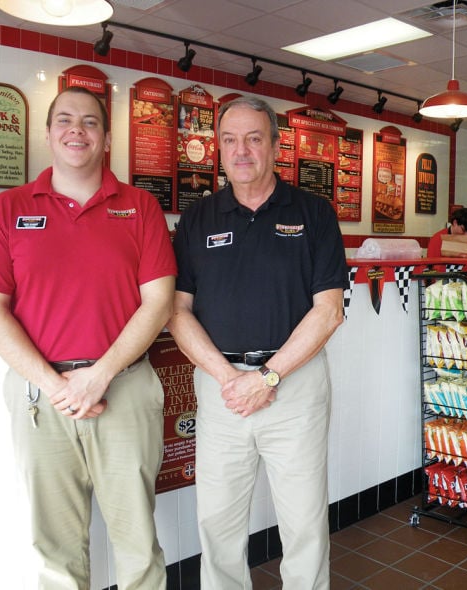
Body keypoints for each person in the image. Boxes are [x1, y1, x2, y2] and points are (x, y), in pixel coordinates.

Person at [0, 86, 176, 590]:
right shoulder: (7, 208)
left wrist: (97, 377)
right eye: (64, 120)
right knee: (53, 548)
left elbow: (159, 302)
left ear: (106, 138)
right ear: (47, 134)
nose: (76, 130)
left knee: (137, 544)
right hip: (41, 397)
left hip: (124, 389)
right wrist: (57, 385)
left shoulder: (140, 206)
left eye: (89, 122)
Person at [167, 96, 348, 590]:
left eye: (253, 138)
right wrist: (233, 381)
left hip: (295, 387)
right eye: (229, 140)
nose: (240, 150)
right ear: (218, 149)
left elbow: (329, 310)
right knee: (218, 525)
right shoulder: (198, 219)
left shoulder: (313, 212)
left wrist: (267, 377)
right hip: (221, 389)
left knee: (304, 524)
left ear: (274, 144)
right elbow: (176, 313)